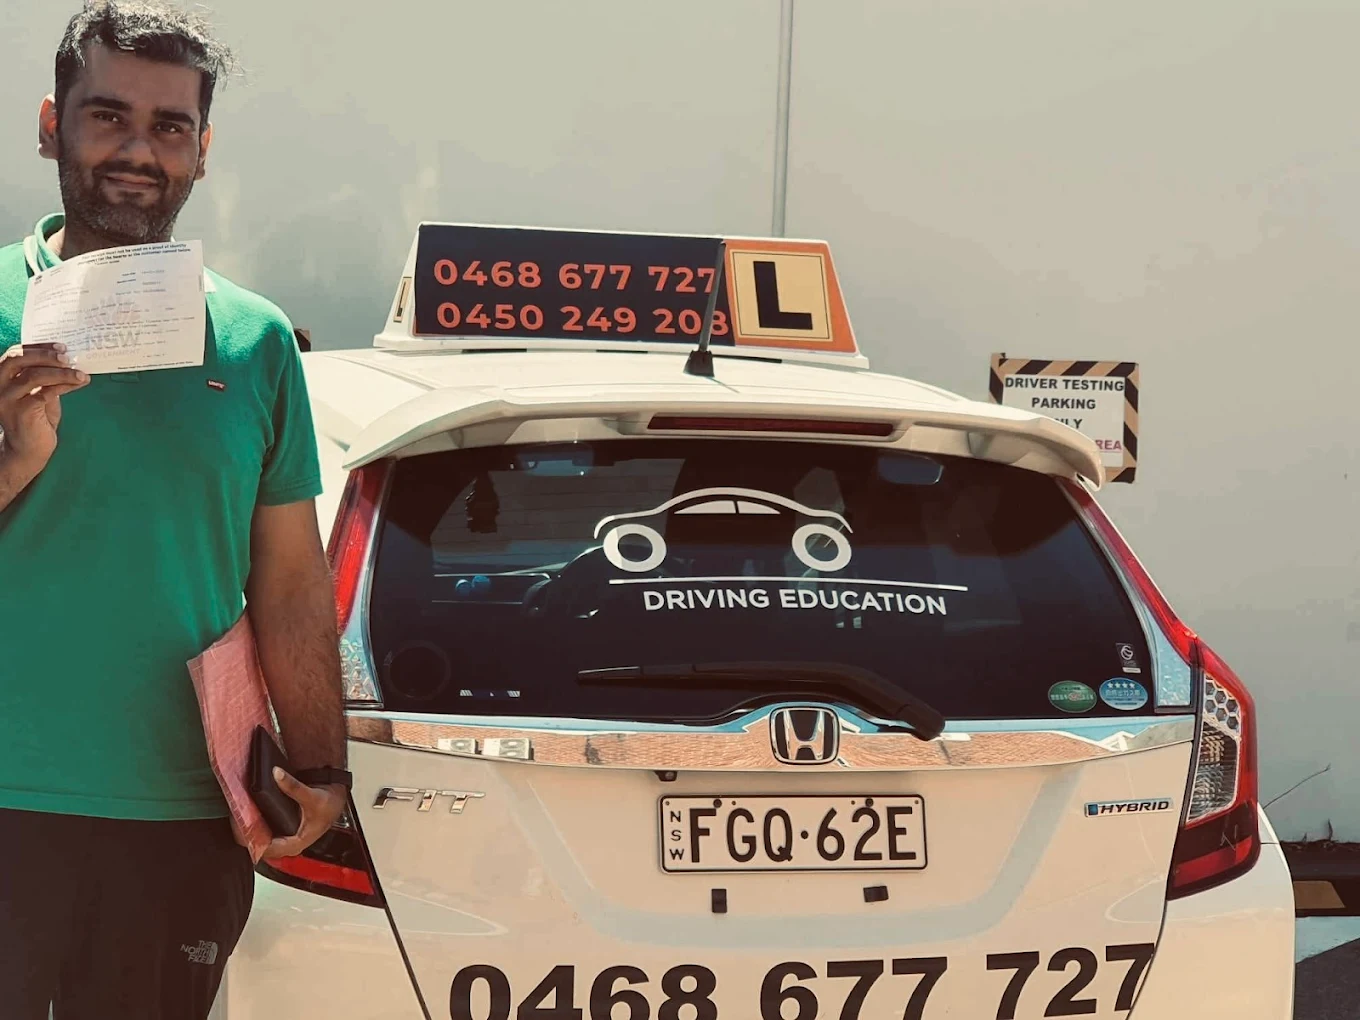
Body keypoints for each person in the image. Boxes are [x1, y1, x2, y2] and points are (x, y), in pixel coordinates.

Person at [0, 3, 349, 1016]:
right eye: (106, 116)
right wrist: (10, 463)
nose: (136, 151)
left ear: (202, 149)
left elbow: (287, 578)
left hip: (181, 820)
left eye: (168, 127)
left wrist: (320, 768)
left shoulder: (253, 341)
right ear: (49, 123)